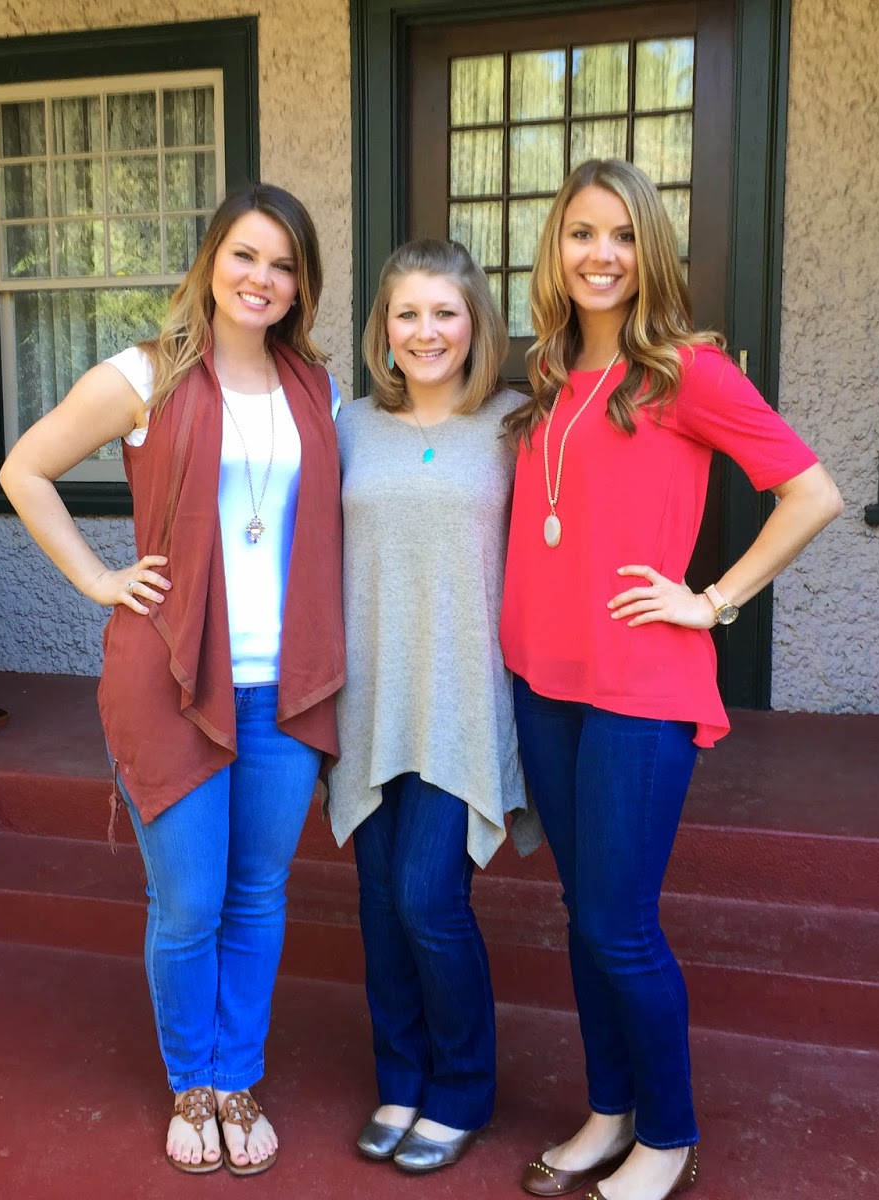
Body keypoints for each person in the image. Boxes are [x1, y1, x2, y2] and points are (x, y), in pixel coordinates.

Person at [501, 160, 842, 1200]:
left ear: (650, 251)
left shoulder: (688, 372)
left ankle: (668, 1134)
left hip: (640, 687)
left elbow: (811, 493)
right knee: (582, 909)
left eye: (621, 236)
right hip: (542, 682)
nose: (599, 255)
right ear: (555, 250)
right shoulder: (545, 372)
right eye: (580, 234)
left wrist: (714, 599)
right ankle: (609, 1112)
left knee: (619, 923)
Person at [0, 184, 344, 1179]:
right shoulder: (143, 375)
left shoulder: (315, 390)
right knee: (190, 900)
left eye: (283, 264)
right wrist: (99, 579)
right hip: (173, 679)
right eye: (245, 255)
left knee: (260, 892)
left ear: (302, 284)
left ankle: (238, 1078)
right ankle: (192, 1079)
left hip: (287, 684)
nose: (261, 278)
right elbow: (25, 469)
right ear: (211, 260)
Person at [329, 238, 539, 1174]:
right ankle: (400, 1079)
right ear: (384, 327)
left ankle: (461, 1090)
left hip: (463, 698)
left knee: (428, 898)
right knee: (379, 905)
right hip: (368, 697)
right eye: (407, 313)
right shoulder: (349, 426)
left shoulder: (516, 424)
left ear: (475, 322)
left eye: (444, 312)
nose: (426, 332)